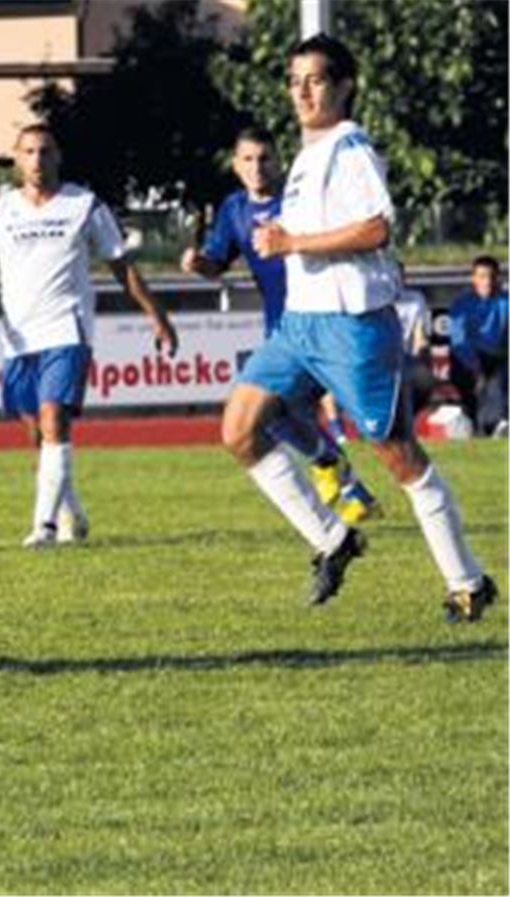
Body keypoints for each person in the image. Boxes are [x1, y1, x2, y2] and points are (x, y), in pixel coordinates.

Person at [221, 33, 497, 621]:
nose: (301, 91)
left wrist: (293, 241)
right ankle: (334, 539)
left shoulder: (351, 148)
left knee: (398, 456)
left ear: (344, 86)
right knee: (240, 430)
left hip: (351, 329)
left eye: (314, 80)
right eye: (295, 80)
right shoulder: (305, 156)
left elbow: (376, 229)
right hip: (299, 326)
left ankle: (468, 581)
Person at [0, 123, 178, 548]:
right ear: (16, 158)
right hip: (19, 338)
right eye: (28, 151)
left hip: (67, 328)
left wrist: (156, 315)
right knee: (37, 435)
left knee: (53, 419)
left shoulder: (84, 205)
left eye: (45, 151)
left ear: (58, 156)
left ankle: (43, 527)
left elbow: (122, 265)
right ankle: (72, 513)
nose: (36, 160)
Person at [181, 126, 380, 523]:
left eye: (265, 158)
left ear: (279, 161)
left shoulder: (300, 199)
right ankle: (341, 475)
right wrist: (198, 263)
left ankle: (352, 473)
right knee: (270, 414)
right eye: (248, 159)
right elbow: (218, 261)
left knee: (362, 416)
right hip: (282, 326)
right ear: (236, 166)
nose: (257, 167)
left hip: (327, 316)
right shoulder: (234, 209)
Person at [449, 255, 508, 437]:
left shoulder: (505, 301)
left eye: (491, 276)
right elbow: (459, 343)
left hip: (498, 357)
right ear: (473, 279)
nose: (487, 282)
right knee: (484, 379)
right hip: (468, 360)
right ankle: (485, 423)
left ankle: (494, 424)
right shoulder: (461, 304)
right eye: (482, 276)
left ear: (499, 278)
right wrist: (476, 369)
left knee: (498, 377)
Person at [393, 262, 435, 415]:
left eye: (399, 275)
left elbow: (420, 337)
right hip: (378, 362)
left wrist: (419, 356)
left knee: (423, 379)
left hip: (406, 359)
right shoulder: (373, 300)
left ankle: (408, 420)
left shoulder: (415, 300)